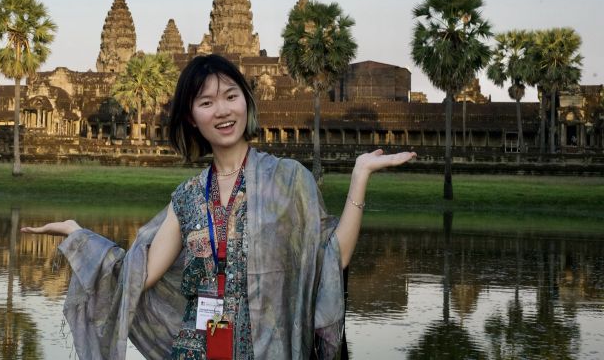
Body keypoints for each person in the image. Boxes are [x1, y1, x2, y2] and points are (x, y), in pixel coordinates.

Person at [22, 54, 416, 359]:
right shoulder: (189, 196)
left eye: (231, 96)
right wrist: (79, 236)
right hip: (195, 349)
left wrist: (360, 175)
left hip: (265, 349)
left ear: (246, 102)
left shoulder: (288, 179)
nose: (222, 111)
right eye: (206, 102)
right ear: (192, 118)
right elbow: (136, 276)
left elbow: (333, 258)